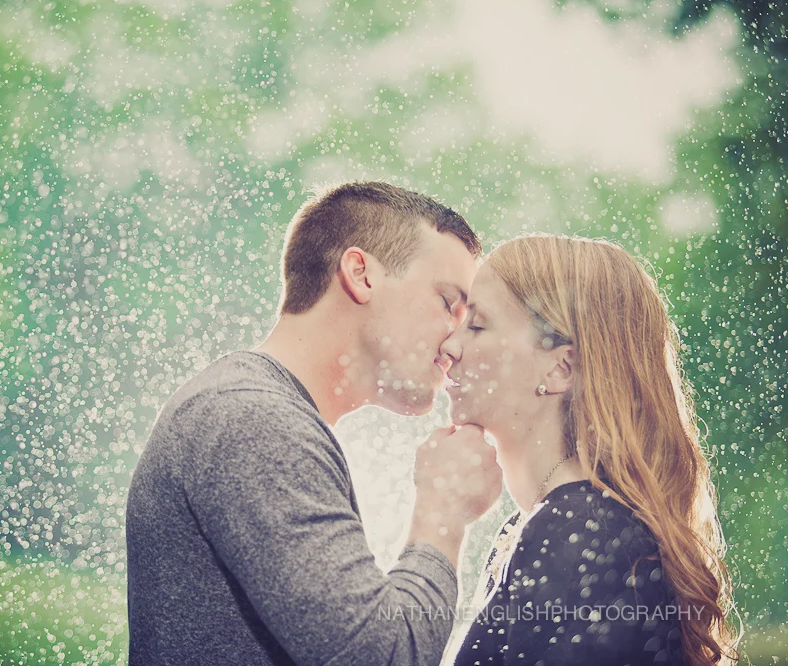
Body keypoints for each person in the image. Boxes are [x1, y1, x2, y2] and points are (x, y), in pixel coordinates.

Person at [126, 182, 504, 665]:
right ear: (360, 274)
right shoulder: (254, 421)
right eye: (448, 302)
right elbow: (380, 657)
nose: (455, 341)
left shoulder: (252, 408)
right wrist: (443, 512)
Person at [442, 235, 741, 666]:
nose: (450, 347)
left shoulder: (580, 531)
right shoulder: (562, 523)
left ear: (560, 367)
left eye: (478, 325)